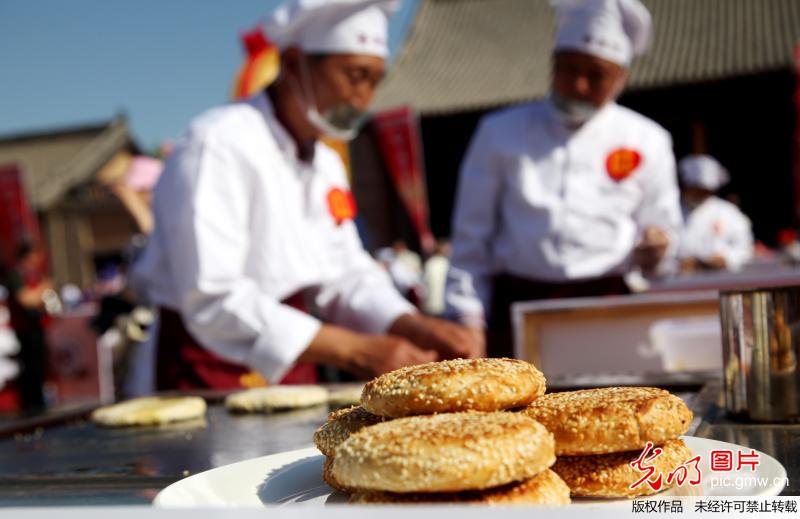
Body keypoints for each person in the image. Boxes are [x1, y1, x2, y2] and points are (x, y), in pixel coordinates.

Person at [132, 0, 481, 391]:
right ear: (295, 62)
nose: (362, 98)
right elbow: (212, 296)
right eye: (354, 75)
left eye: (373, 80)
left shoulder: (325, 163)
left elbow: (346, 272)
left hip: (298, 363)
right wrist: (356, 350)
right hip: (207, 369)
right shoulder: (218, 142)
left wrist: (412, 324)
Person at [445, 0, 682, 357]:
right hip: (519, 307)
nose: (578, 85)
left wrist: (659, 249)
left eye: (596, 74)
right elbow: (470, 239)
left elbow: (665, 237)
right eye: (567, 69)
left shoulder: (647, 139)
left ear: (621, 78)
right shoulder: (499, 132)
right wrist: (467, 319)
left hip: (611, 307)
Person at [677, 155, 753, 272]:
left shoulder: (728, 212)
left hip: (722, 280)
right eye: (696, 189)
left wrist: (726, 258)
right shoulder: (671, 211)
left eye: (705, 191)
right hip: (679, 282)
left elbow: (745, 248)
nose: (700, 195)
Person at [3, 242, 52, 411]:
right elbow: (26, 299)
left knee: (38, 367)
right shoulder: (16, 274)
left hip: (37, 326)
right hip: (24, 328)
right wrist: (43, 289)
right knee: (29, 367)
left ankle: (38, 402)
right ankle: (30, 406)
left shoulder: (35, 274)